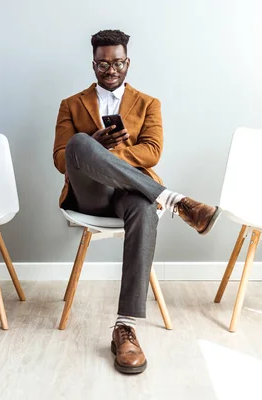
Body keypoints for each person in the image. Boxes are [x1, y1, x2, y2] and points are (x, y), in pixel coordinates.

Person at [53, 29, 221, 374]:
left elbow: (153, 152)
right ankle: (176, 201)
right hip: (90, 196)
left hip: (132, 194)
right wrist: (94, 147)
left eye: (117, 63)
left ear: (127, 62)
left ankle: (125, 328)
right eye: (102, 65)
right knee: (80, 144)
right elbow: (60, 158)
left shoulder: (148, 103)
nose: (110, 70)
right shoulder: (70, 104)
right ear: (93, 64)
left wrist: (112, 153)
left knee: (145, 208)